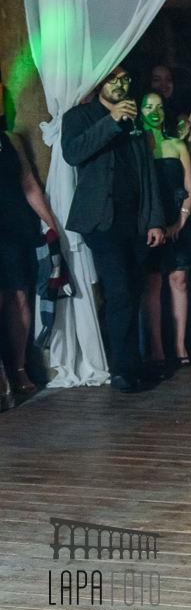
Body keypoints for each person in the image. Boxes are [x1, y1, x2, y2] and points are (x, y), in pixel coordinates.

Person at [62, 65, 167, 393]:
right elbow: (73, 153)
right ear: (100, 82)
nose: (121, 84)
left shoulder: (134, 117)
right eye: (114, 79)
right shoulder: (79, 116)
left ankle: (133, 365)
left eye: (125, 79)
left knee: (134, 291)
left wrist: (154, 219)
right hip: (101, 220)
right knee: (119, 290)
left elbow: (146, 170)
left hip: (134, 220)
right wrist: (111, 120)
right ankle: (121, 370)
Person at [138, 92, 191, 369]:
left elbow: (190, 186)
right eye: (148, 106)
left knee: (180, 281)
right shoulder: (138, 145)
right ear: (140, 112)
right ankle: (157, 347)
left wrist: (181, 221)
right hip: (149, 224)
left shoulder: (177, 145)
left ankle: (179, 344)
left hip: (178, 222)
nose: (154, 111)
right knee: (152, 284)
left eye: (159, 107)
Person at [0, 129, 57, 407]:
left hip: (16, 225)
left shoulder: (10, 139)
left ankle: (19, 368)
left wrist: (52, 225)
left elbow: (28, 183)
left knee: (20, 298)